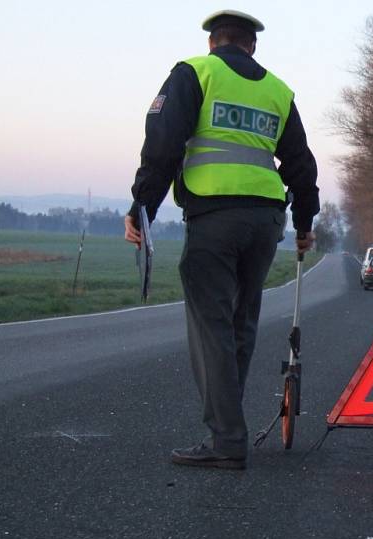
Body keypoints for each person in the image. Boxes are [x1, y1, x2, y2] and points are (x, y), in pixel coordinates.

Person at [124, 9, 319, 470]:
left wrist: (142, 209)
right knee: (240, 323)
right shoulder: (278, 91)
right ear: (252, 47)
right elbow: (301, 165)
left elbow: (163, 143)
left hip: (214, 216)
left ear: (214, 42)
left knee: (211, 325)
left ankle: (228, 441)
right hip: (266, 222)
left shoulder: (195, 72)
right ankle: (228, 431)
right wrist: (306, 224)